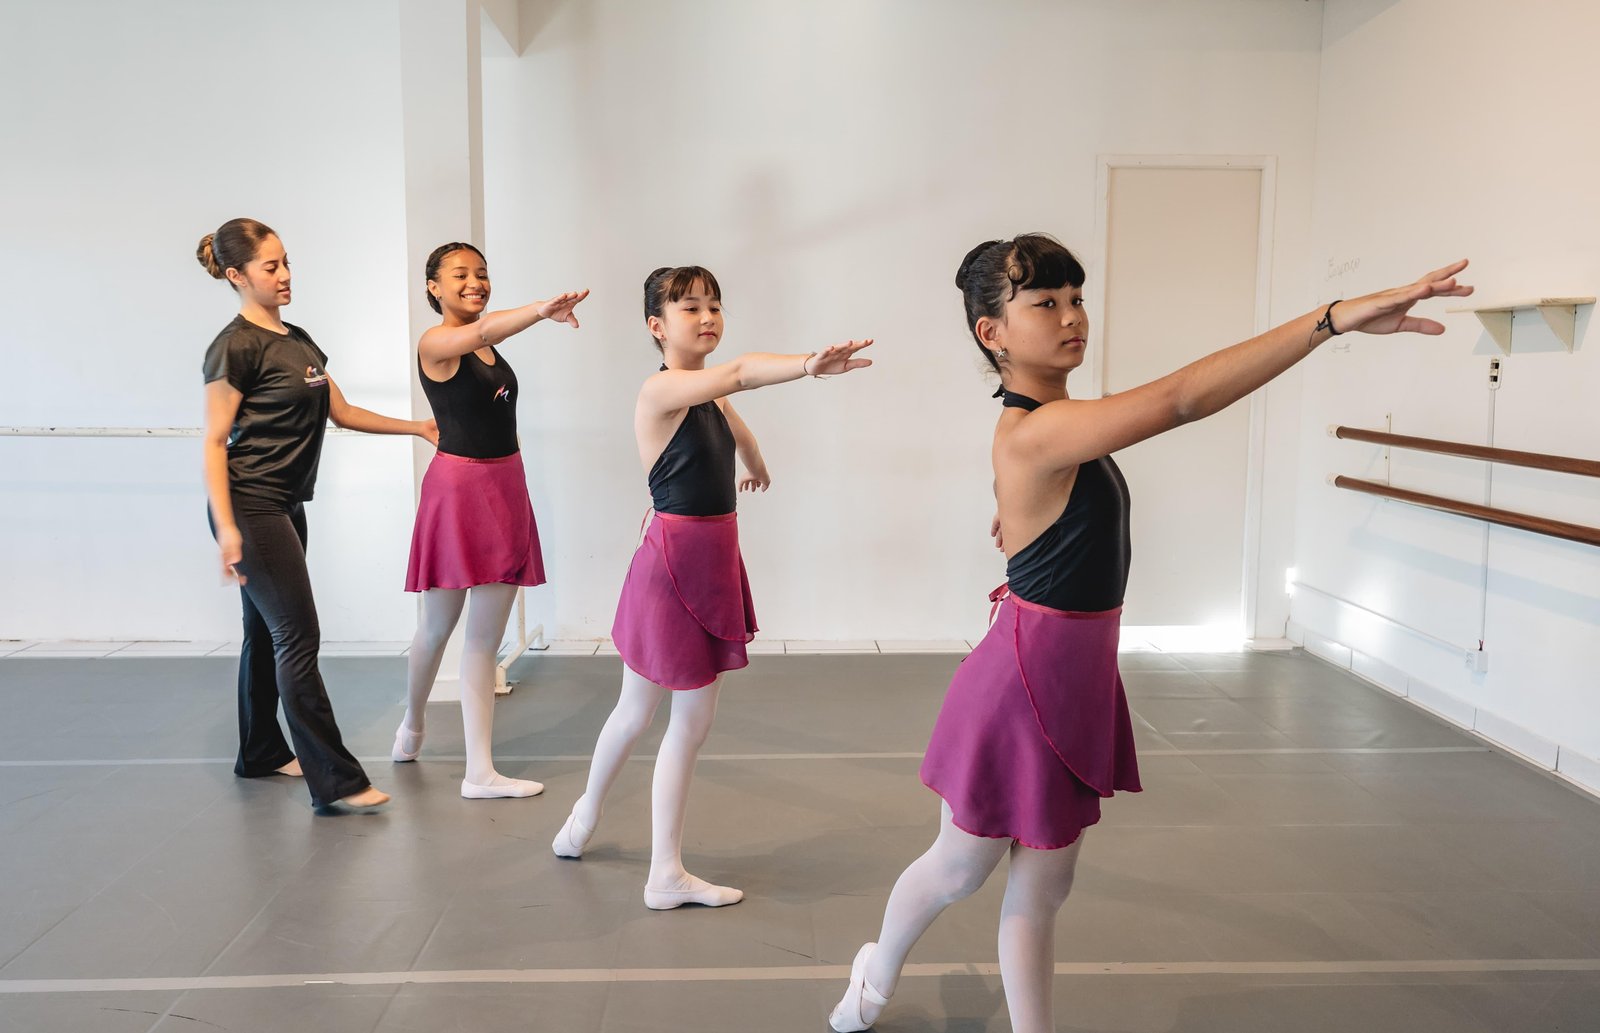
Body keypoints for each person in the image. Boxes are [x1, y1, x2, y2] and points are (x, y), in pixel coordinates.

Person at [828, 235, 1471, 1032]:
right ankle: (874, 974)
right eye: (1046, 303)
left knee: (1045, 889)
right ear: (992, 332)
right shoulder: (1035, 432)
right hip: (1022, 684)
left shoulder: (1055, 428)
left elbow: (1050, 496)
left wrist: (1020, 510)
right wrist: (1332, 319)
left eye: (1076, 298)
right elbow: (1179, 400)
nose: (1073, 318)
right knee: (960, 868)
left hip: (1078, 681)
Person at [551, 265, 873, 910]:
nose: (707, 317)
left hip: (700, 556)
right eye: (691, 307)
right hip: (679, 565)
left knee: (636, 711)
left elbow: (737, 423)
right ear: (656, 325)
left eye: (715, 306)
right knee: (685, 721)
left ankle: (581, 821)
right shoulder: (661, 389)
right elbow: (741, 373)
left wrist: (756, 467)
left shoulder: (704, 395)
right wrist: (809, 365)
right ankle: (664, 873)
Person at [198, 217, 438, 813]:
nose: (284, 275)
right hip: (249, 505)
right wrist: (227, 528)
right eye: (270, 266)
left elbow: (344, 411)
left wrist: (418, 427)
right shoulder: (235, 346)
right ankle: (338, 781)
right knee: (296, 637)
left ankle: (259, 751)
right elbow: (212, 441)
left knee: (263, 633)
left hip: (283, 504)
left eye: (285, 262)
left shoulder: (298, 339)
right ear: (236, 275)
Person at [394, 241, 588, 800]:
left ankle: (479, 770)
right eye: (460, 275)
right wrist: (540, 310)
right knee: (436, 625)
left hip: (503, 484)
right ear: (433, 287)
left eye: (482, 274)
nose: (475, 282)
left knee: (484, 637)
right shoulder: (438, 342)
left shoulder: (489, 351)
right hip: (458, 488)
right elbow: (480, 334)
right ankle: (413, 722)